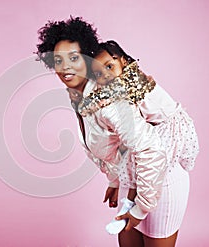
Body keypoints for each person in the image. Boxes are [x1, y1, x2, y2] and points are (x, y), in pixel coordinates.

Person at [36, 17, 198, 247]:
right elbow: (114, 145)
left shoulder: (108, 100)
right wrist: (115, 180)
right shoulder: (80, 94)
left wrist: (140, 208)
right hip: (134, 179)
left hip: (161, 181)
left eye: (73, 58)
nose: (65, 67)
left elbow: (151, 150)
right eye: (58, 60)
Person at [78, 40, 199, 245]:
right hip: (147, 143)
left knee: (146, 152)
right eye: (99, 73)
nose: (106, 75)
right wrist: (115, 179)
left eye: (110, 66)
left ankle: (136, 201)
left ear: (123, 61)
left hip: (165, 134)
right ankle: (131, 198)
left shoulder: (132, 79)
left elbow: (145, 142)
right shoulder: (114, 88)